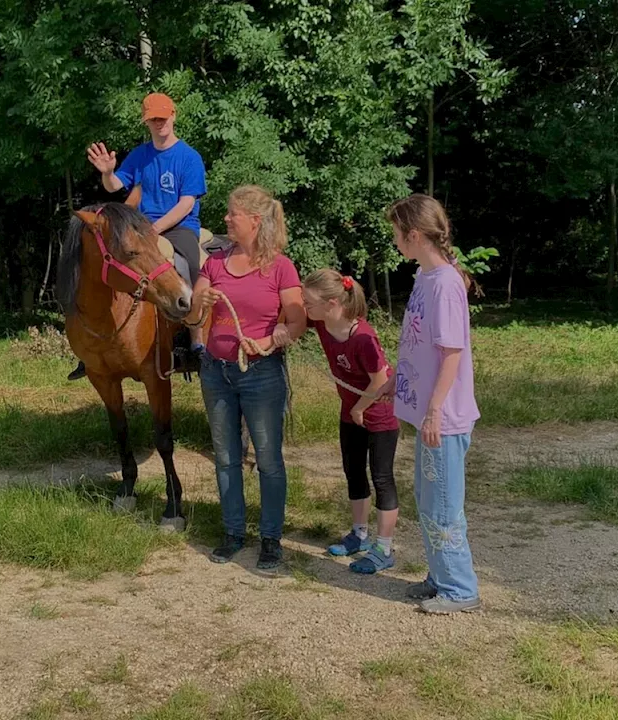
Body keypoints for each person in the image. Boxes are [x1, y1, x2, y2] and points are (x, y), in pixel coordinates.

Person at [183, 185, 306, 571]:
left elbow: (298, 319)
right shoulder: (214, 264)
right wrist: (197, 307)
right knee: (225, 457)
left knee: (268, 458)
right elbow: (191, 320)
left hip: (262, 372)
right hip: (216, 372)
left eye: (233, 213)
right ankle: (233, 532)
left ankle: (270, 538)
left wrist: (270, 339)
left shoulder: (281, 267)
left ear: (254, 220)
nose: (226, 218)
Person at [378, 193, 483, 614]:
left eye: (397, 234)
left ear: (415, 234)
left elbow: (452, 352)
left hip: (443, 418)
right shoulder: (425, 278)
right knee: (428, 497)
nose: (395, 241)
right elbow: (419, 346)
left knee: (442, 503)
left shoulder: (445, 284)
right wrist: (395, 382)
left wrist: (435, 410)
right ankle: (440, 576)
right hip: (425, 414)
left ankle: (460, 589)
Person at [71, 92, 207, 381]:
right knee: (104, 267)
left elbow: (186, 203)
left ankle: (196, 340)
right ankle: (95, 347)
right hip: (140, 230)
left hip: (179, 227)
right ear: (147, 122)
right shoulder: (140, 154)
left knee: (189, 267)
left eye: (163, 117)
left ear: (174, 116)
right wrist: (108, 172)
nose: (159, 123)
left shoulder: (189, 157)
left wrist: (153, 231)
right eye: (153, 119)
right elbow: (114, 186)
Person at [301, 269, 401, 574]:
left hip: (379, 413)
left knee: (382, 477)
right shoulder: (321, 323)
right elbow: (288, 310)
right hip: (351, 412)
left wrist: (359, 408)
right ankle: (359, 534)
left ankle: (384, 548)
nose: (305, 308)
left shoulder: (364, 338)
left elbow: (380, 380)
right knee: (353, 471)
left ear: (333, 303)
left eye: (310, 303)